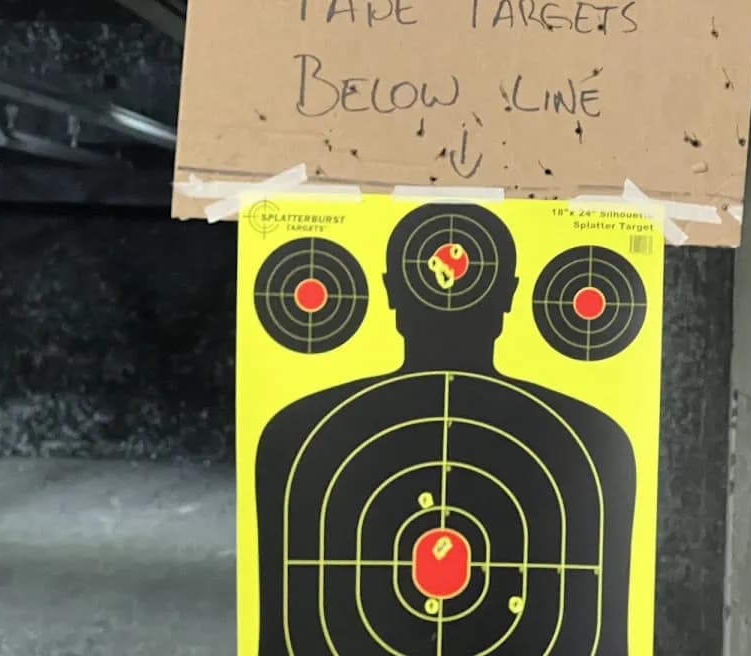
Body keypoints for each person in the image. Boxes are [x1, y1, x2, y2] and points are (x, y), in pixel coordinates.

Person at [255, 202, 636, 655]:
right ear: (510, 295)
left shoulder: (302, 432)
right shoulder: (589, 438)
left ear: (389, 291)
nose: (450, 289)